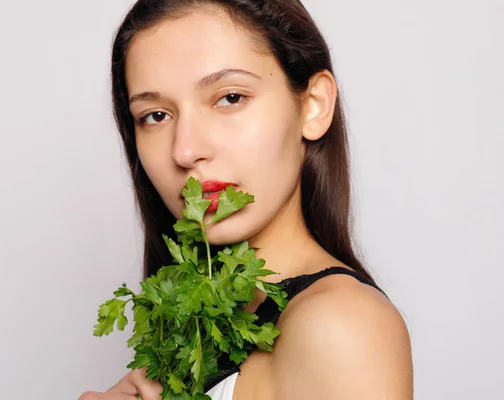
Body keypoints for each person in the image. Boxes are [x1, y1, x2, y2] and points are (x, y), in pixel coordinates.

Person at [79, 0, 413, 399]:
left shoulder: (342, 325)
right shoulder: (201, 324)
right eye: (156, 116)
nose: (185, 151)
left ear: (313, 105)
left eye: (230, 98)